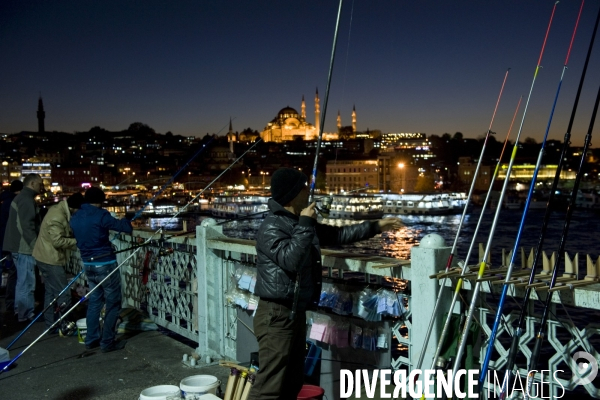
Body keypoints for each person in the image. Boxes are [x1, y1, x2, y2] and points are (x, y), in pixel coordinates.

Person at [248, 168, 402, 400]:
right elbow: (291, 260)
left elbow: (339, 236)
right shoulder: (272, 226)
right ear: (292, 194)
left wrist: (376, 226)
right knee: (270, 386)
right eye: (303, 188)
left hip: (293, 312)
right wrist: (306, 223)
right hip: (275, 315)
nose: (309, 194)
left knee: (292, 381)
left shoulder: (295, 222)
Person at [70, 187, 132, 352]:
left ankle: (91, 339)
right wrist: (127, 219)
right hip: (105, 263)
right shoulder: (101, 215)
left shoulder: (75, 217)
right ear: (102, 200)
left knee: (95, 302)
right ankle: (107, 342)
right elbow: (125, 228)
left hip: (88, 265)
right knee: (112, 303)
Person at [32, 193, 84, 331]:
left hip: (44, 256)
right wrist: (77, 241)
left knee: (50, 291)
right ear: (75, 208)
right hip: (50, 259)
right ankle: (65, 325)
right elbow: (57, 241)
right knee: (64, 293)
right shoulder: (57, 216)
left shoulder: (58, 209)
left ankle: (51, 325)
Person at [2, 174, 44, 323]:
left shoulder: (21, 198)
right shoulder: (27, 200)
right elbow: (27, 227)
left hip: (16, 246)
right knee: (27, 282)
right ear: (32, 183)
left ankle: (20, 311)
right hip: (24, 247)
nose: (42, 187)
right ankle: (25, 314)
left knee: (22, 281)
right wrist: (35, 247)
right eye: (40, 184)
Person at [0, 180, 23, 318]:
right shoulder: (12, 203)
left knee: (12, 272)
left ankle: (11, 301)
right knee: (15, 273)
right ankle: (12, 303)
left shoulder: (5, 201)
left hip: (4, 242)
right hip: (10, 243)